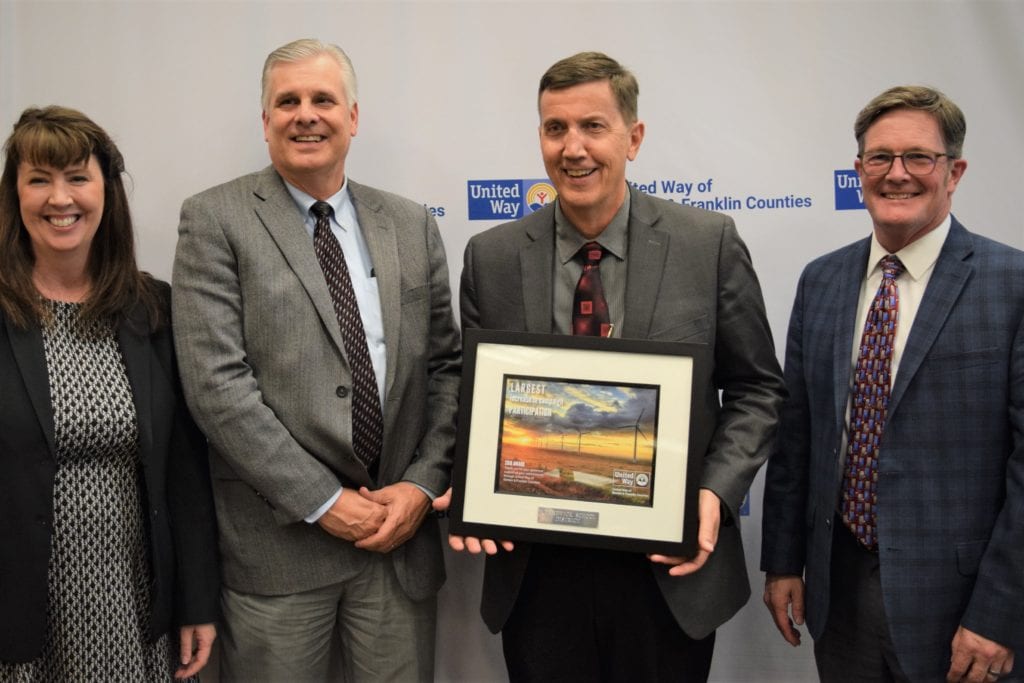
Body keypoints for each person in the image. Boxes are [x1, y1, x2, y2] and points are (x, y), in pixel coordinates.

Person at [437, 51, 785, 681]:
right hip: (538, 571)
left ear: (634, 136)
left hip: (666, 575)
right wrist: (473, 484)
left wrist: (715, 490)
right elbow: (476, 400)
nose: (573, 148)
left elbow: (758, 389)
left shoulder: (707, 243)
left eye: (593, 126)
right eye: (555, 128)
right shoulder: (491, 257)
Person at [172, 38, 461, 681]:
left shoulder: (411, 224)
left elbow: (446, 369)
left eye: (323, 99)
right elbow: (217, 386)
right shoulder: (215, 220)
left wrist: (421, 486)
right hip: (280, 550)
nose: (306, 114)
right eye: (288, 101)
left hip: (397, 540)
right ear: (265, 121)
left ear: (352, 117)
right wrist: (324, 501)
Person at [761, 85, 1024, 682]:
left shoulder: (1012, 283)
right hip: (839, 599)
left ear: (954, 172)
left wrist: (1000, 614)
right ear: (859, 171)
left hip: (962, 612)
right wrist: (783, 562)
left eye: (918, 157)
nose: (897, 173)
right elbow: (796, 436)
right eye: (880, 157)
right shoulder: (821, 280)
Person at [0, 106, 219, 680]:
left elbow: (184, 471)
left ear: (106, 191)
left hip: (134, 598)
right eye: (39, 179)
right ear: (15, 194)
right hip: (20, 606)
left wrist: (196, 601)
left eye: (77, 177)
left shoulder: (152, 308)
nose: (60, 198)